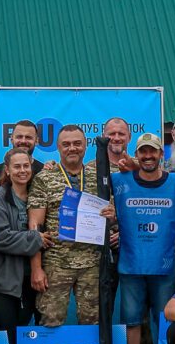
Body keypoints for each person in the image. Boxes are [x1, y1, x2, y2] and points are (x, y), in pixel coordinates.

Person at [111, 132, 175, 344]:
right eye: (143, 151)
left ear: (160, 154)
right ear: (137, 155)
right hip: (131, 264)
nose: (147, 156)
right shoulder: (120, 180)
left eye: (152, 151)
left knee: (164, 320)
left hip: (163, 266)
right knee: (131, 322)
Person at [27, 124, 115, 325]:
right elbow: (35, 227)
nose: (72, 148)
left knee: (93, 323)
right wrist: (36, 268)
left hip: (92, 264)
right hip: (56, 265)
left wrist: (112, 215)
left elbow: (111, 214)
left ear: (85, 146)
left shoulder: (100, 177)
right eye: (66, 144)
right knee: (50, 321)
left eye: (77, 143)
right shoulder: (44, 178)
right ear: (58, 147)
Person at [0, 147, 45, 344]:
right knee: (6, 336)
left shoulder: (38, 196)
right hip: (1, 280)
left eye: (26, 166)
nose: (22, 170)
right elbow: (2, 238)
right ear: (7, 170)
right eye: (17, 166)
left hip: (28, 279)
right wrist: (37, 237)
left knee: (22, 335)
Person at [0, 119, 45, 191]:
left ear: (36, 141)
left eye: (28, 137)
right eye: (19, 137)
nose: (23, 141)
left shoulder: (43, 171)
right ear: (12, 139)